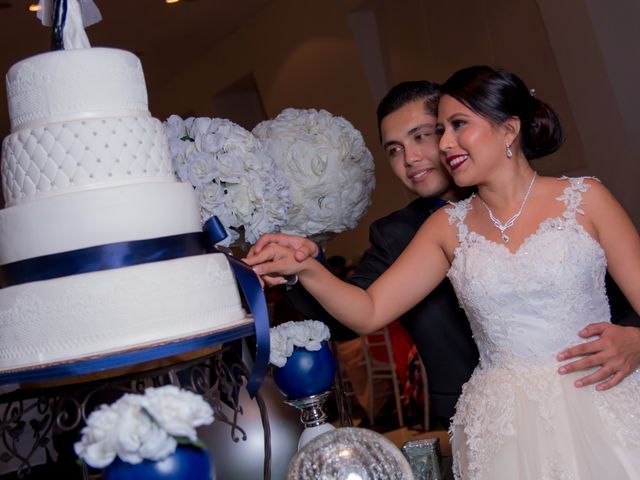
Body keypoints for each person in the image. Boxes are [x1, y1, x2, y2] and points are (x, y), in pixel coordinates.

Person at [246, 66, 640, 478]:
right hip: (503, 423)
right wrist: (306, 266)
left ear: (508, 130)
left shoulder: (586, 200)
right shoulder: (445, 227)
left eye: (453, 127)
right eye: (439, 131)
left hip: (600, 398)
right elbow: (368, 310)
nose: (442, 145)